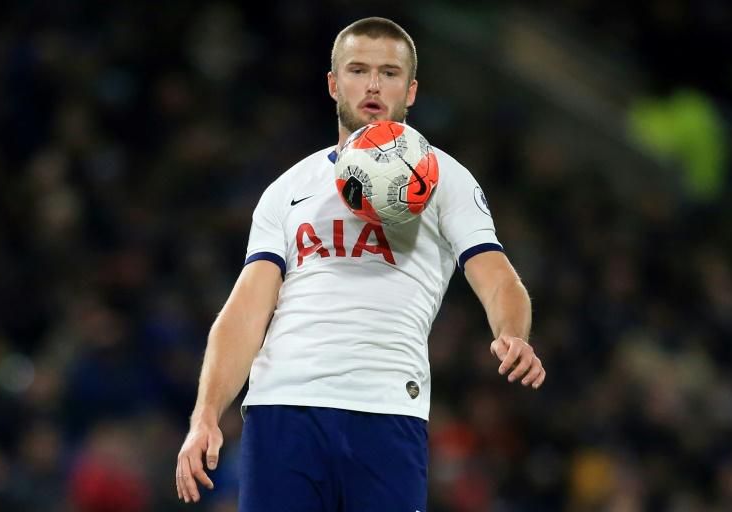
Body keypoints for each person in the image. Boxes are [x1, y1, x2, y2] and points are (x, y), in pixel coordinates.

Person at [176, 16, 545, 511]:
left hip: (387, 409)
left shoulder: (446, 180)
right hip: (284, 408)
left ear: (411, 91)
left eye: (389, 73)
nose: (373, 85)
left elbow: (498, 278)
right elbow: (244, 312)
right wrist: (205, 414)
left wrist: (513, 333)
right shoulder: (288, 189)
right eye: (358, 70)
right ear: (334, 84)